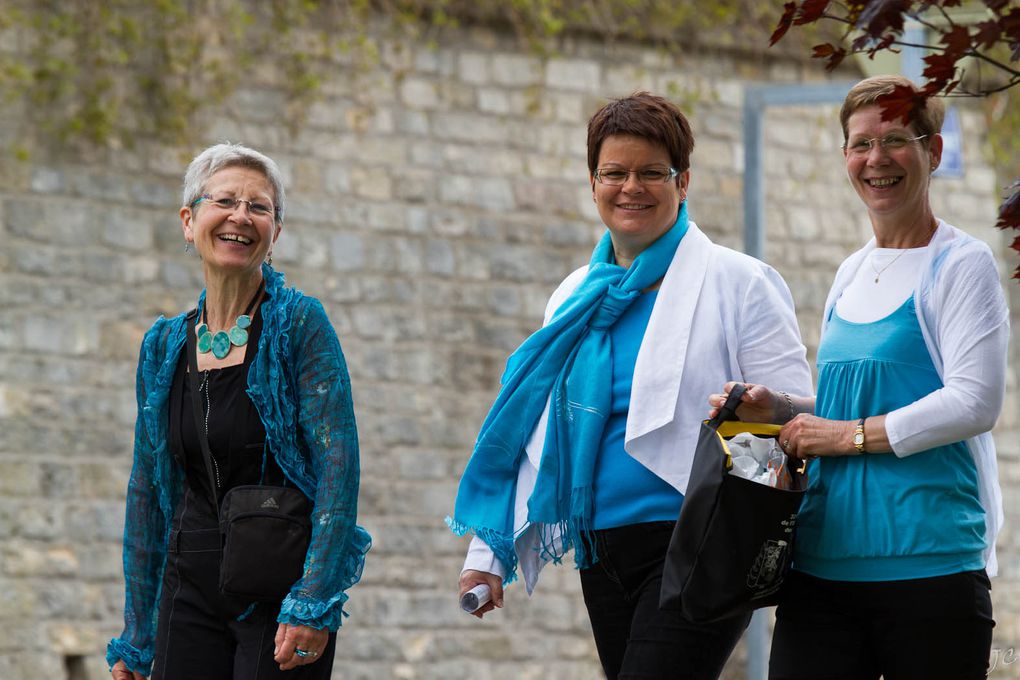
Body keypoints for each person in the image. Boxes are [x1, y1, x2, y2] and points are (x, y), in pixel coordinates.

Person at [448, 92, 813, 679]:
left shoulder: (739, 281)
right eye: (613, 173)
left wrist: (761, 408)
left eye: (651, 173)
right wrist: (486, 555)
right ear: (593, 183)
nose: (630, 188)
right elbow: (535, 433)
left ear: (683, 181)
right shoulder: (573, 297)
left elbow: (797, 418)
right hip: (602, 549)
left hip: (698, 541)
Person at [710, 75, 1009, 680]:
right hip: (821, 566)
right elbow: (852, 401)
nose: (877, 159)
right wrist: (782, 407)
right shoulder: (850, 272)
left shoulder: (961, 264)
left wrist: (844, 436)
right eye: (860, 143)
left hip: (928, 567)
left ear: (934, 151)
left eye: (896, 138)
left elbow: (974, 402)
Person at [107, 143, 371, 679]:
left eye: (260, 207)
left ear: (276, 231)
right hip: (189, 587)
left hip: (279, 591)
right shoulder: (162, 346)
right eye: (224, 200)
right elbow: (146, 491)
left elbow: (338, 467)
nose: (240, 217)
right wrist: (136, 635)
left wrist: (314, 601)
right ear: (189, 221)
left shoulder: (300, 324)